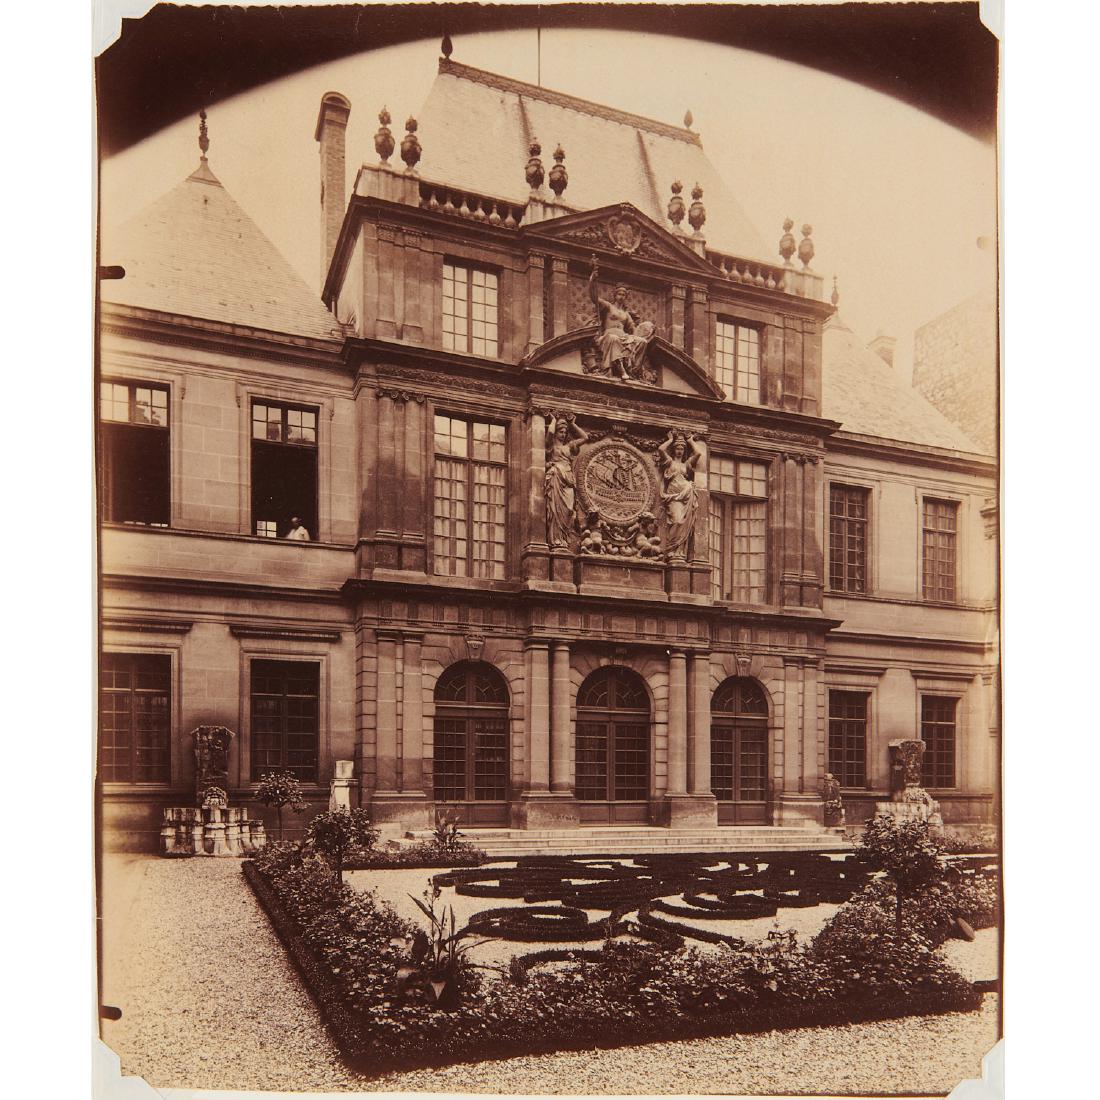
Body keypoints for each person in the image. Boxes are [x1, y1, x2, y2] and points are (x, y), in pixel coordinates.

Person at [588, 259, 654, 379]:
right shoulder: (608, 306)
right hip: (609, 336)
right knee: (614, 339)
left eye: (624, 295)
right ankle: (621, 370)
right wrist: (593, 277)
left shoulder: (626, 315)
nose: (621, 297)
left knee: (642, 342)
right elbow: (594, 297)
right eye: (619, 294)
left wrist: (643, 336)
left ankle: (633, 370)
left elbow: (633, 330)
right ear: (615, 294)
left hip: (623, 337)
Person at [657, 431, 702, 560]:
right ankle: (671, 548)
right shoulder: (670, 462)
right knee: (676, 520)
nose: (679, 451)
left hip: (686, 496)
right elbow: (661, 449)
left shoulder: (686, 464)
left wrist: (691, 440)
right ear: (674, 449)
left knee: (684, 523)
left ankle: (679, 552)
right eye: (677, 448)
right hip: (673, 496)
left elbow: (698, 453)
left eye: (682, 449)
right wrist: (670, 440)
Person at [545, 413, 588, 547]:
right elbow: (550, 433)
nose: (563, 434)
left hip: (568, 480)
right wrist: (553, 420)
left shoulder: (569, 446)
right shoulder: (551, 446)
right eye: (561, 432)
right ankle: (556, 540)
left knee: (569, 510)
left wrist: (572, 424)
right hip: (557, 478)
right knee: (555, 510)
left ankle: (563, 538)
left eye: (565, 432)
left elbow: (585, 437)